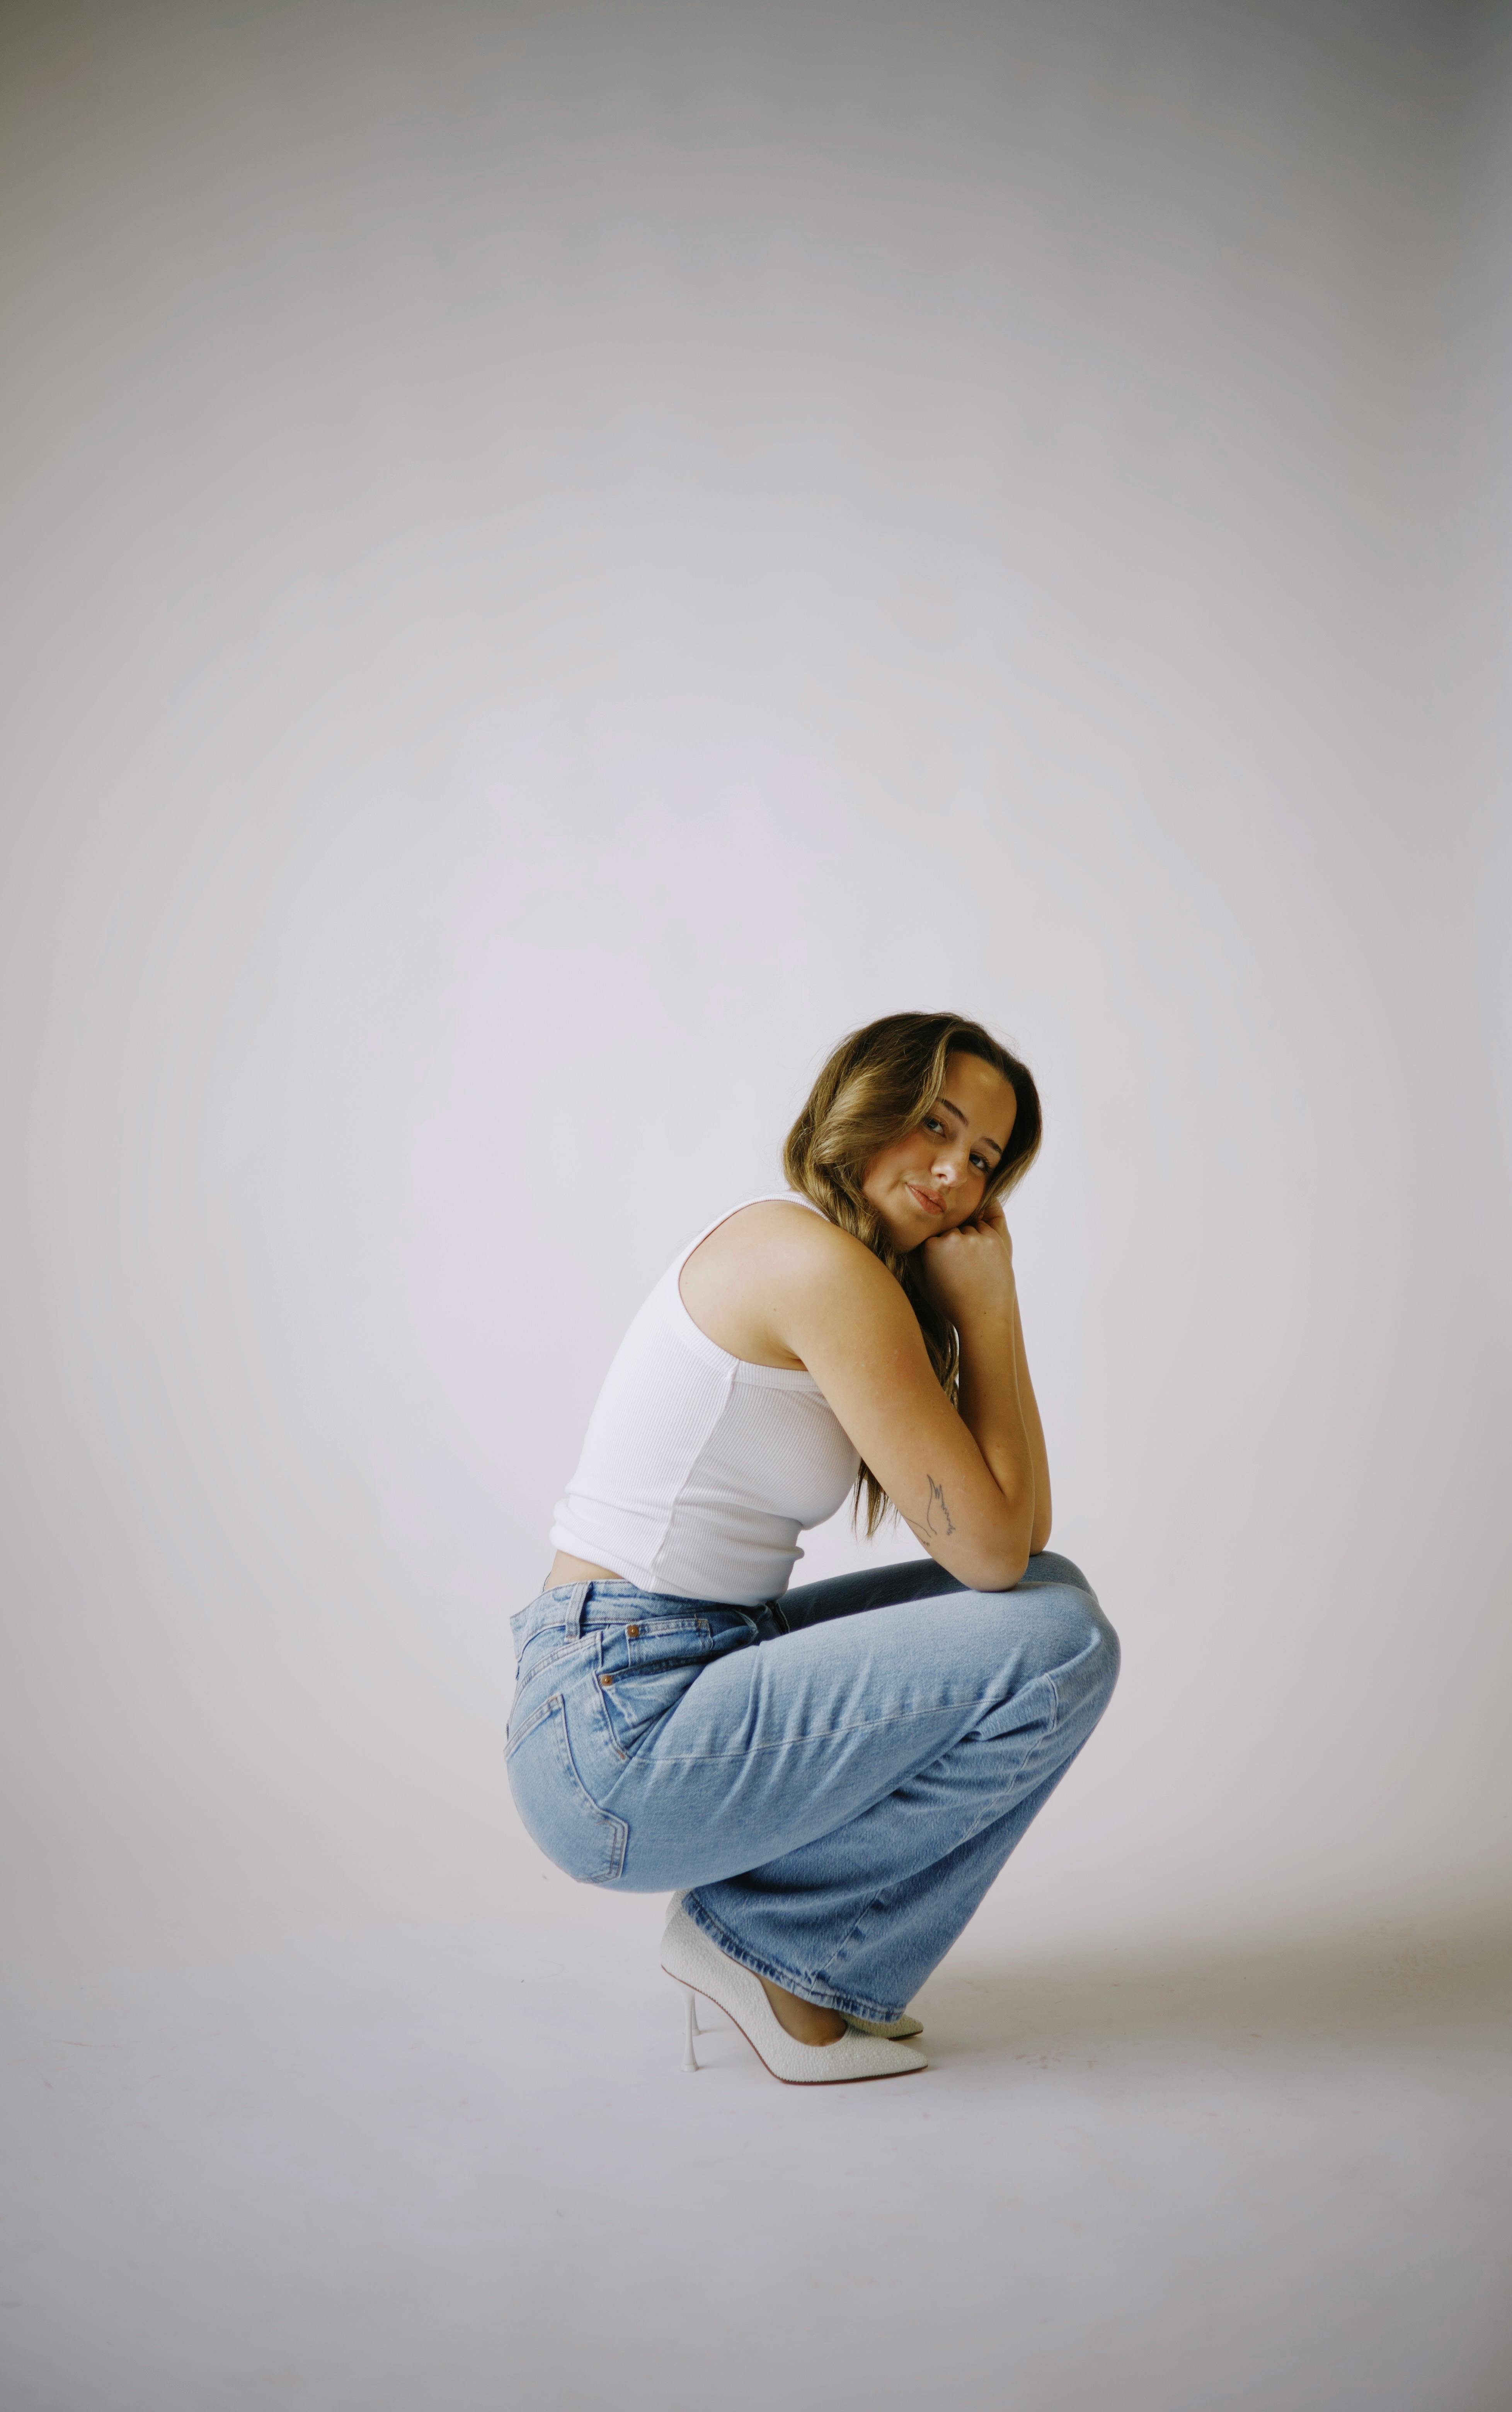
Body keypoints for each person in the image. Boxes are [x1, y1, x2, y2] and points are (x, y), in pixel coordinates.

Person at [507, 1011, 1119, 2084]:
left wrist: (989, 1307)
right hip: (618, 1735)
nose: (953, 1172)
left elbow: (1024, 1538)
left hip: (669, 1672)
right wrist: (988, 1317)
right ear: (865, 1105)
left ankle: (786, 1947)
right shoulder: (811, 1262)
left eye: (983, 1159)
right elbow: (990, 1556)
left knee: (1054, 1600)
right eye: (936, 1125)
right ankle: (779, 1952)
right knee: (1057, 1637)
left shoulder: (836, 1266)